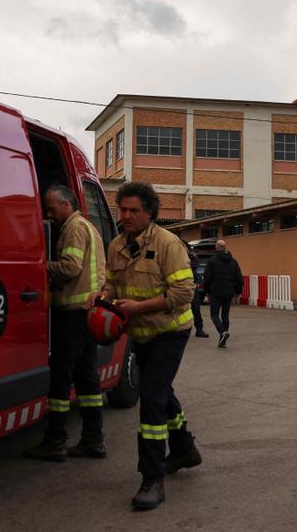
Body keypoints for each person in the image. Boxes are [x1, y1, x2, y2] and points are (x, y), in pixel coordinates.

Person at [96, 181, 201, 511]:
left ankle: (152, 477)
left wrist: (138, 308)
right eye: (122, 210)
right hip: (140, 335)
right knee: (163, 391)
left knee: (152, 399)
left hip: (170, 332)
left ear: (150, 213)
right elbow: (112, 281)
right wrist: (104, 297)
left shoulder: (169, 244)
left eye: (133, 211)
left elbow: (185, 293)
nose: (125, 216)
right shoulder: (115, 246)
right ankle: (185, 450)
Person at [24, 185, 107, 462]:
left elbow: (70, 267)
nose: (49, 213)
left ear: (67, 205)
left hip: (72, 313)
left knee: (61, 376)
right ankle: (93, 439)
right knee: (87, 378)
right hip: (87, 314)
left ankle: (55, 440)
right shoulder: (90, 227)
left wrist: (40, 266)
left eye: (51, 208)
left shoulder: (73, 228)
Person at [202, 239, 243, 348]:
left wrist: (207, 291)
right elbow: (239, 278)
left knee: (214, 314)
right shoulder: (234, 261)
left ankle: (222, 332)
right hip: (229, 292)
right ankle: (222, 341)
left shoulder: (212, 261)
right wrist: (238, 292)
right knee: (225, 315)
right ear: (225, 248)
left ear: (216, 248)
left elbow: (207, 278)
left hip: (216, 291)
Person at [188, 246, 210, 338]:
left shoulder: (192, 257)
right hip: (180, 287)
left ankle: (199, 329)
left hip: (192, 287)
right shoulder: (177, 256)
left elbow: (195, 264)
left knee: (196, 309)